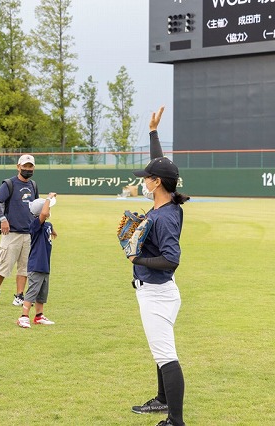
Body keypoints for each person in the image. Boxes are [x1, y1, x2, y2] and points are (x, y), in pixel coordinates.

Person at [127, 106, 189, 426]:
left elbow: (171, 260)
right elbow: (164, 169)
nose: (144, 181)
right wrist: (153, 133)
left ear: (156, 183)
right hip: (158, 291)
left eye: (147, 178)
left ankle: (175, 421)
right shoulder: (170, 200)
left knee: (166, 356)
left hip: (158, 293)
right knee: (159, 349)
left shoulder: (164, 216)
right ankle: (162, 401)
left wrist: (136, 258)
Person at [0, 154, 39, 306]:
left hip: (28, 234)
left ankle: (20, 295)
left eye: (30, 166)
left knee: (24, 267)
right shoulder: (9, 184)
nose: (27, 169)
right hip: (12, 233)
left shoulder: (33, 185)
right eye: (25, 166)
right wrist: (3, 219)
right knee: (4, 265)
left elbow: (35, 207)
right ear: (18, 167)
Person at [17, 193, 58, 328]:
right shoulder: (35, 225)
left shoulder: (47, 225)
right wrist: (48, 198)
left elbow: (48, 224)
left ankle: (39, 316)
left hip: (45, 264)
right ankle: (23, 316)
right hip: (36, 264)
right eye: (47, 209)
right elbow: (44, 213)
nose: (49, 211)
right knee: (33, 291)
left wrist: (53, 231)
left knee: (42, 292)